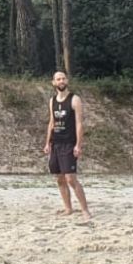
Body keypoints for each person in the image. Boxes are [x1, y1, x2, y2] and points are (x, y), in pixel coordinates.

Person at [43, 70, 89, 219]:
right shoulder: (52, 101)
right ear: (54, 82)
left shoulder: (74, 99)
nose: (61, 81)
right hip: (56, 144)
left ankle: (84, 210)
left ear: (67, 81)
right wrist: (47, 143)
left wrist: (78, 145)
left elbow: (79, 123)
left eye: (63, 78)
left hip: (69, 143)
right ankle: (68, 208)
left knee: (71, 179)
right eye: (58, 79)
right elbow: (52, 122)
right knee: (60, 178)